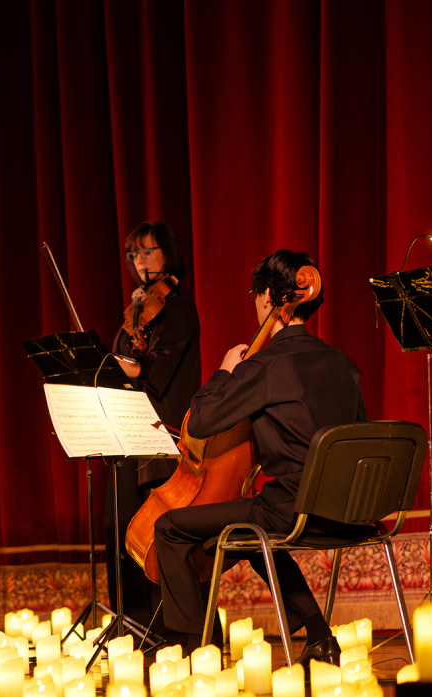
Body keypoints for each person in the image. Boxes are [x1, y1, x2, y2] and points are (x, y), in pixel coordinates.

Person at [151, 250, 364, 662]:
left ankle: (197, 648)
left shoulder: (265, 365)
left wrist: (226, 371)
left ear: (268, 296)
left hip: (292, 511)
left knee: (169, 527)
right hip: (350, 512)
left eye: (255, 297)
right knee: (245, 534)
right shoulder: (344, 364)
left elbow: (201, 422)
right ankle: (319, 635)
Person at [109, 222, 202, 634]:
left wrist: (126, 365)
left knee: (156, 537)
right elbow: (124, 356)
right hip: (130, 433)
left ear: (168, 254)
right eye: (134, 254)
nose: (139, 261)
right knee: (123, 532)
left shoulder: (178, 307)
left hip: (163, 434)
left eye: (148, 251)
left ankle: (172, 632)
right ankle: (133, 627)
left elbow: (159, 369)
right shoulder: (137, 310)